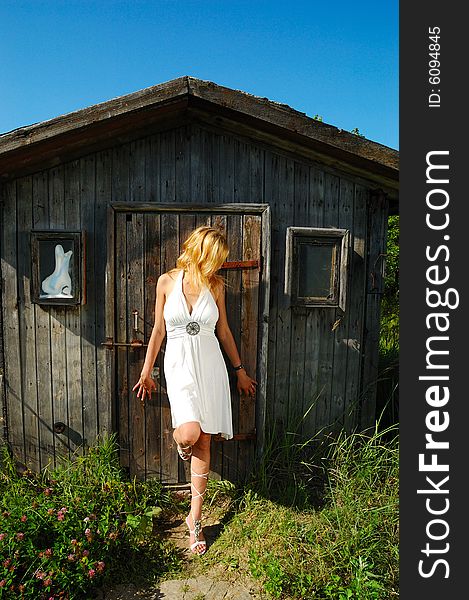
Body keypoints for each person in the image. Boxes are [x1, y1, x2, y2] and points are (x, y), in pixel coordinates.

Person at [132, 225, 257, 555]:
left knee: (204, 438)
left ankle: (195, 519)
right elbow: (158, 330)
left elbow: (225, 332)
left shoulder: (215, 285)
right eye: (215, 258)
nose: (218, 265)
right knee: (188, 433)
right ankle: (181, 447)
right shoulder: (166, 282)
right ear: (200, 253)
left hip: (211, 366)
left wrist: (240, 372)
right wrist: (146, 372)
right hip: (179, 366)